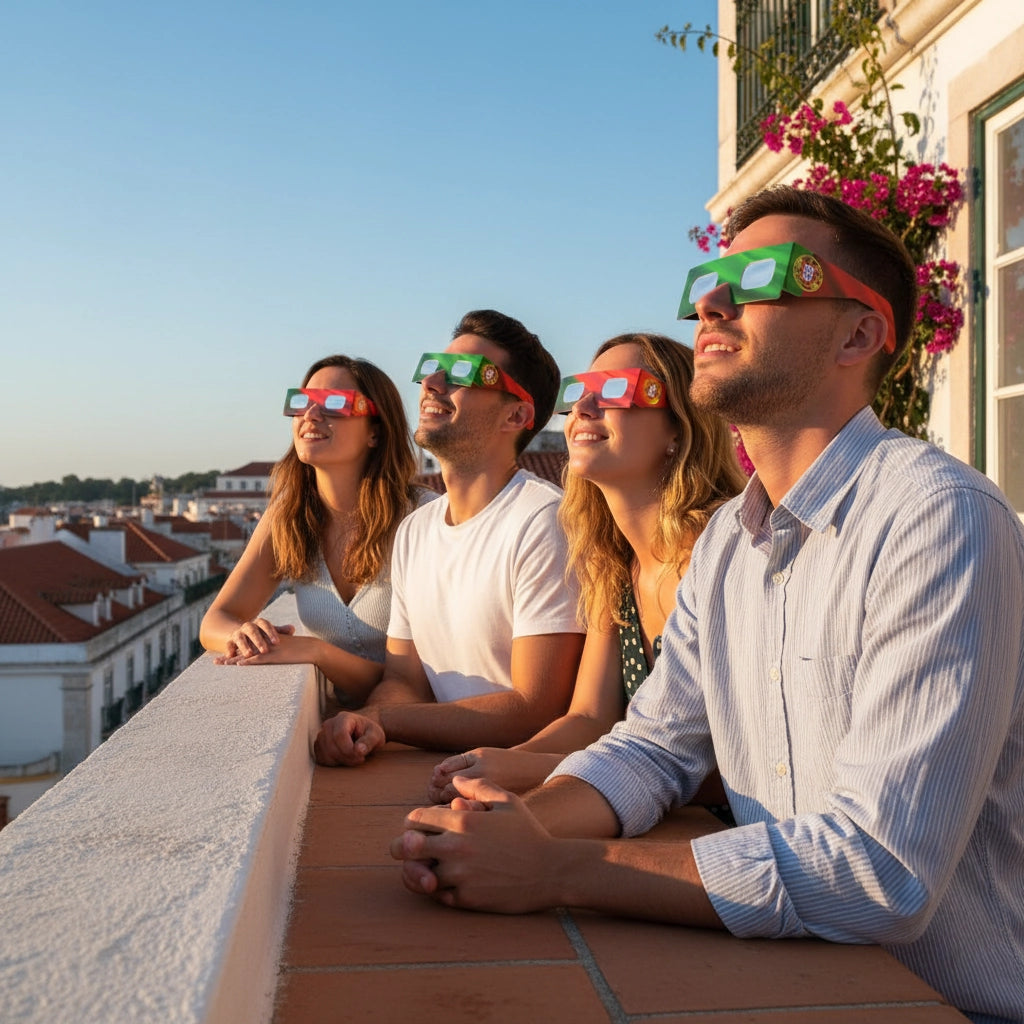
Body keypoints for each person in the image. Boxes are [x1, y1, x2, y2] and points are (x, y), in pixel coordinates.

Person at [391, 187, 1024, 1024]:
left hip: (951, 1002)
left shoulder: (937, 518)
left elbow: (882, 870)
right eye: (708, 281)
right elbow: (655, 746)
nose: (713, 301)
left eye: (762, 275)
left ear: (859, 333)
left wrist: (558, 872)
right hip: (793, 980)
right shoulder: (729, 539)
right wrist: (518, 829)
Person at [427, 333, 746, 804]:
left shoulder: (722, 555)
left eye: (616, 389)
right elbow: (589, 720)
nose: (583, 408)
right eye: (578, 392)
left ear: (679, 427)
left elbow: (746, 763)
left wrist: (532, 768)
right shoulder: (614, 564)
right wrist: (500, 761)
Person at [313, 309, 586, 766]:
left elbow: (535, 708)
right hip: (443, 771)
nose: (433, 383)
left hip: (513, 788)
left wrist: (388, 722)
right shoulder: (416, 530)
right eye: (433, 368)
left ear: (517, 413)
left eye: (464, 373)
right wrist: (370, 718)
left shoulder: (542, 521)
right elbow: (405, 678)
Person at [200, 355, 425, 703]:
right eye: (302, 401)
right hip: (339, 736)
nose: (310, 415)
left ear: (376, 432)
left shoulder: (422, 519)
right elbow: (215, 621)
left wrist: (317, 652)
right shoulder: (288, 518)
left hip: (419, 741)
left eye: (335, 403)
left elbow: (419, 682)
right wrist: (244, 633)